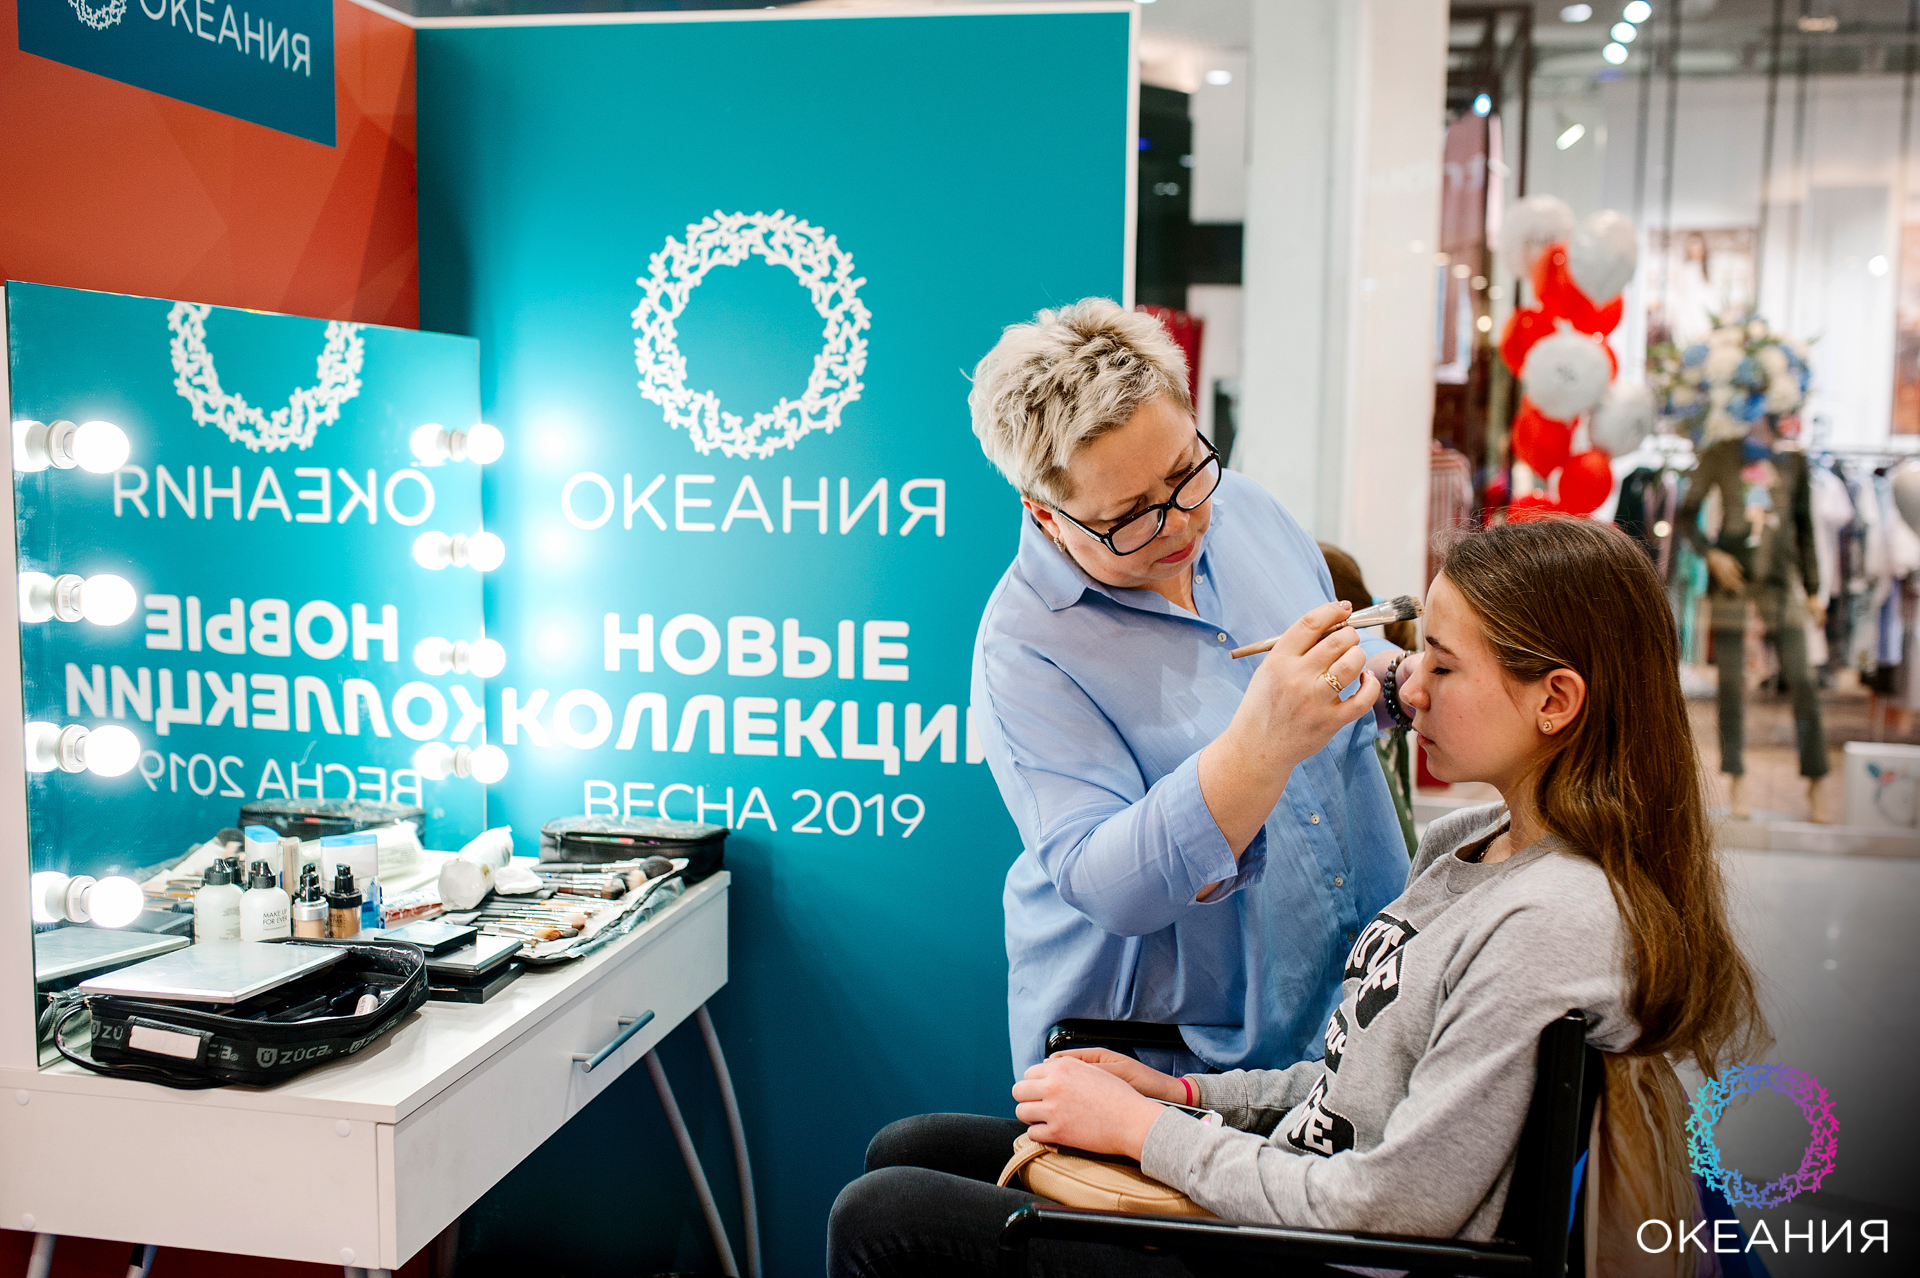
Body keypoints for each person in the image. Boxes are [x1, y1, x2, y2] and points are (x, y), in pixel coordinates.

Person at [829, 517, 1767, 1278]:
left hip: (1323, 1256)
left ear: (1555, 700)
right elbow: (1354, 1083)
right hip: (1298, 1200)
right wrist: (1185, 1094)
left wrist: (1149, 1133)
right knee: (915, 1146)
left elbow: (1391, 1210)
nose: (1407, 686)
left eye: (1442, 665)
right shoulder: (1468, 846)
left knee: (886, 1214)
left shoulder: (1552, 920)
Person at [966, 300, 1410, 1078]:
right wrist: (1259, 748)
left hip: (1349, 1013)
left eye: (1184, 475)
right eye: (1130, 516)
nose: (1178, 525)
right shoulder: (1025, 651)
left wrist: (1403, 680)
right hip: (1162, 1058)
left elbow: (1341, 655)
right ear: (1047, 515)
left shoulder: (1247, 511)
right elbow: (1107, 885)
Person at [1679, 417, 1829, 821]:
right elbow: (1686, 515)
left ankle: (1816, 780)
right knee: (1731, 684)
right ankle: (1736, 777)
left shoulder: (1794, 460)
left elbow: (1804, 527)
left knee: (1802, 680)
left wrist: (1814, 588)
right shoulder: (1721, 454)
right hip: (1732, 581)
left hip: (1781, 583)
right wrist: (1711, 554)